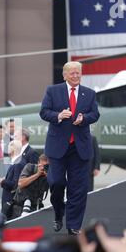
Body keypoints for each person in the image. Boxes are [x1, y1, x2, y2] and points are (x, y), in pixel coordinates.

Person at [39, 61, 100, 235]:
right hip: (57, 147)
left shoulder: (89, 94)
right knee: (56, 183)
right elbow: (43, 112)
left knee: (78, 188)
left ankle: (74, 225)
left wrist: (84, 118)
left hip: (80, 148)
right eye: (72, 73)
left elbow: (95, 114)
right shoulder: (53, 91)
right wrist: (58, 115)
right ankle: (59, 212)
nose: (75, 76)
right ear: (64, 75)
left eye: (78, 73)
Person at [0, 140, 25, 218]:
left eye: (9, 147)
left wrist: (3, 181)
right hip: (10, 201)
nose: (7, 149)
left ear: (13, 149)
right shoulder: (17, 162)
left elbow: (15, 184)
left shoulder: (18, 164)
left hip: (11, 202)